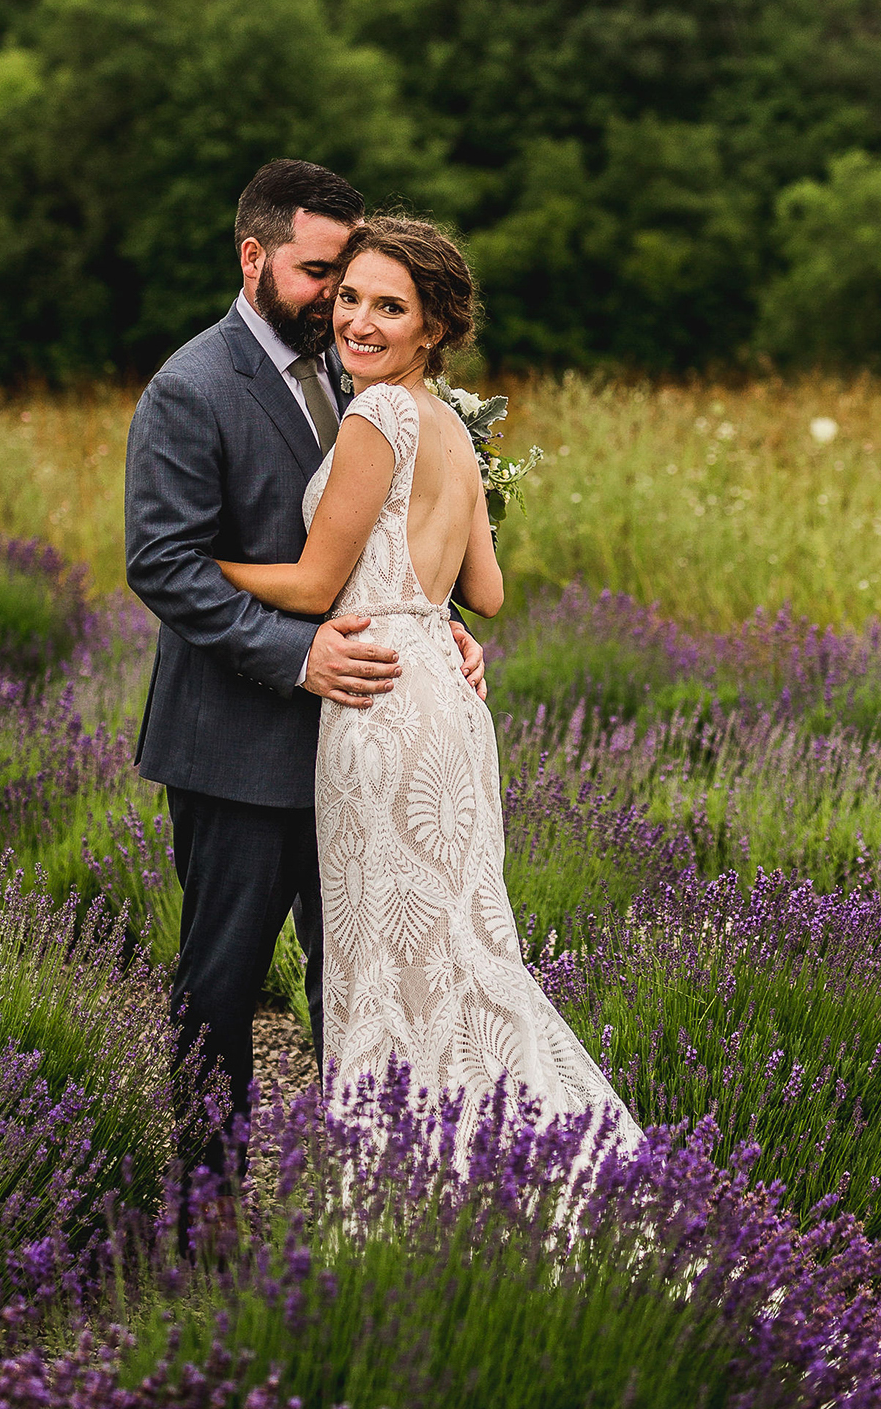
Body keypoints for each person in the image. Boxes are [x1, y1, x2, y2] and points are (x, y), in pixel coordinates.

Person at [215, 214, 639, 1150]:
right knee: (460, 946)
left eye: (390, 308)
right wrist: (426, 608)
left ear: (434, 328)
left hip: (378, 706)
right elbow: (484, 591)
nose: (358, 322)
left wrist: (212, 567)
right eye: (351, 299)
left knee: (388, 954)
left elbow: (316, 585)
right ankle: (502, 1153)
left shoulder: (377, 415)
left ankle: (417, 1181)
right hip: (446, 701)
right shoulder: (452, 424)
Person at [124, 161, 487, 1168]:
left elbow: (385, 531)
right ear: (255, 257)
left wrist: (435, 620)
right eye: (319, 272)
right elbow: (161, 563)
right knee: (222, 987)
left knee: (365, 981)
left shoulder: (360, 370)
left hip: (369, 741)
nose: (340, 301)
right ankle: (211, 1215)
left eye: (354, 279)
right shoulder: (190, 388)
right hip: (238, 744)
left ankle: (371, 1207)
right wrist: (298, 657)